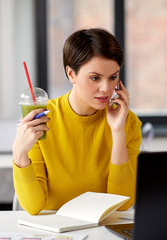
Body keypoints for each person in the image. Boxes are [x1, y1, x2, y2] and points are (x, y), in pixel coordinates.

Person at [12, 28, 142, 215]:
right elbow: (33, 207)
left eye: (113, 77)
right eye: (95, 78)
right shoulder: (41, 120)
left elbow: (122, 204)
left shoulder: (128, 122)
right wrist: (19, 152)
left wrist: (118, 132)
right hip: (53, 230)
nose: (106, 88)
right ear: (71, 74)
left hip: (102, 230)